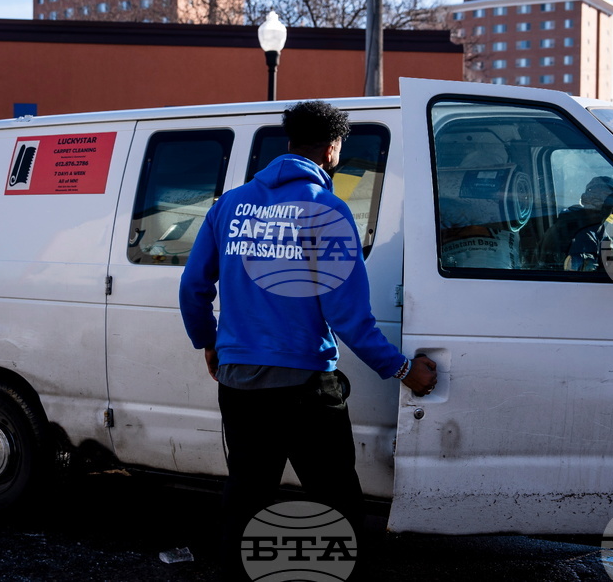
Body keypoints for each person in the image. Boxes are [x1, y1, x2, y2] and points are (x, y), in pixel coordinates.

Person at [179, 100, 437, 579]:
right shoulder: (327, 210)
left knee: (247, 494)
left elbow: (193, 289)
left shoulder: (229, 205)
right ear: (332, 148)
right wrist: (402, 369)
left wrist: (210, 342)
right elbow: (348, 315)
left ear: (289, 141)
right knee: (335, 497)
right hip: (304, 388)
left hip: (238, 381)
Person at [539, 175, 613, 271]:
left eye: (606, 198)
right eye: (594, 196)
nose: (598, 203)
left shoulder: (602, 237)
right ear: (583, 198)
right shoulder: (567, 231)